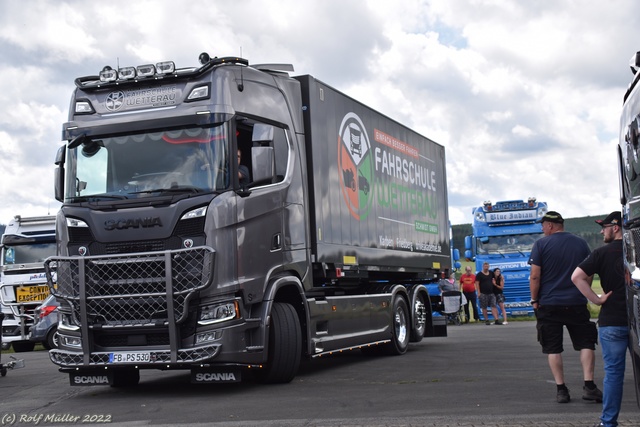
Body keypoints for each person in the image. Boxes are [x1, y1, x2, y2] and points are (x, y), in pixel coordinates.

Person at [529, 211, 602, 404]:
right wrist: (585, 293)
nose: (542, 229)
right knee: (586, 343)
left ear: (551, 225)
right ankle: (589, 386)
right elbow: (589, 272)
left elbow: (535, 276)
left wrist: (534, 300)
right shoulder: (580, 243)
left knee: (553, 348)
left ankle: (561, 390)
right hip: (576, 302)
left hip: (549, 303)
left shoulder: (541, 245)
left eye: (543, 225)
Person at [571, 211, 626, 427]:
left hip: (612, 320)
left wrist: (597, 299)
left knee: (613, 374)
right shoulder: (636, 250)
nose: (601, 231)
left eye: (604, 227)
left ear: (616, 227)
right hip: (636, 318)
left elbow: (576, 276)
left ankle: (608, 423)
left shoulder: (601, 253)